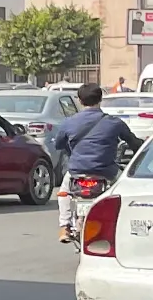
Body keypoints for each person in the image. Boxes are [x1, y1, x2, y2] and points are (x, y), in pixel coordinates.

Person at [48, 82, 135, 243]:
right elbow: (133, 142)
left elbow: (59, 144)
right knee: (124, 191)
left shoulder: (69, 122)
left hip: (76, 170)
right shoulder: (114, 122)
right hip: (107, 171)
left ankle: (65, 226)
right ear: (100, 99)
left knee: (63, 192)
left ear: (80, 101)